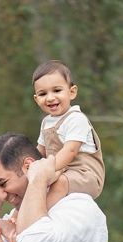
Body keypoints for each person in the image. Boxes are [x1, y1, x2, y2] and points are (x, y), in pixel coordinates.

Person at [32, 60, 105, 209]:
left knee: (60, 183)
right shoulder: (46, 122)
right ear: (36, 99)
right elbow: (40, 151)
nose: (50, 97)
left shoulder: (76, 118)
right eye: (43, 94)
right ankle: (16, 218)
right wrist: (29, 166)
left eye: (57, 91)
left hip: (85, 175)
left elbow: (70, 151)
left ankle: (40, 215)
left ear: (72, 92)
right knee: (28, 184)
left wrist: (46, 171)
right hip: (59, 170)